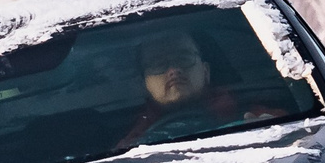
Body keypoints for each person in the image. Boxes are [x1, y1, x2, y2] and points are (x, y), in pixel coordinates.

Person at [116, 30, 275, 148]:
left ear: (206, 71)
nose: (173, 70)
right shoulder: (132, 147)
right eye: (158, 64)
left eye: (184, 59)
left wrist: (271, 131)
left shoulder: (252, 114)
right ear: (144, 84)